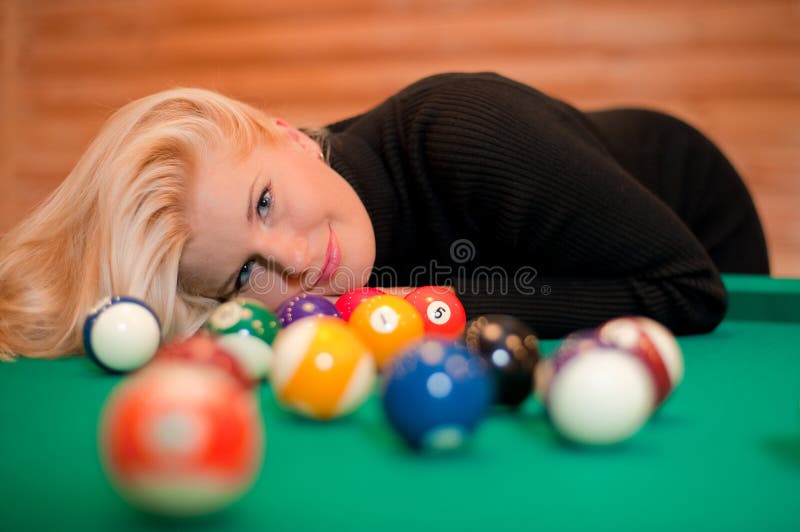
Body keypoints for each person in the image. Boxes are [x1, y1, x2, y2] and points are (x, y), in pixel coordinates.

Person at [0, 72, 769, 361]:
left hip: (693, 218)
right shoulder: (297, 295)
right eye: (243, 272)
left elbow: (692, 289)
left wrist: (445, 306)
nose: (295, 260)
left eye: (264, 203)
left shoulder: (465, 131)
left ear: (288, 134)